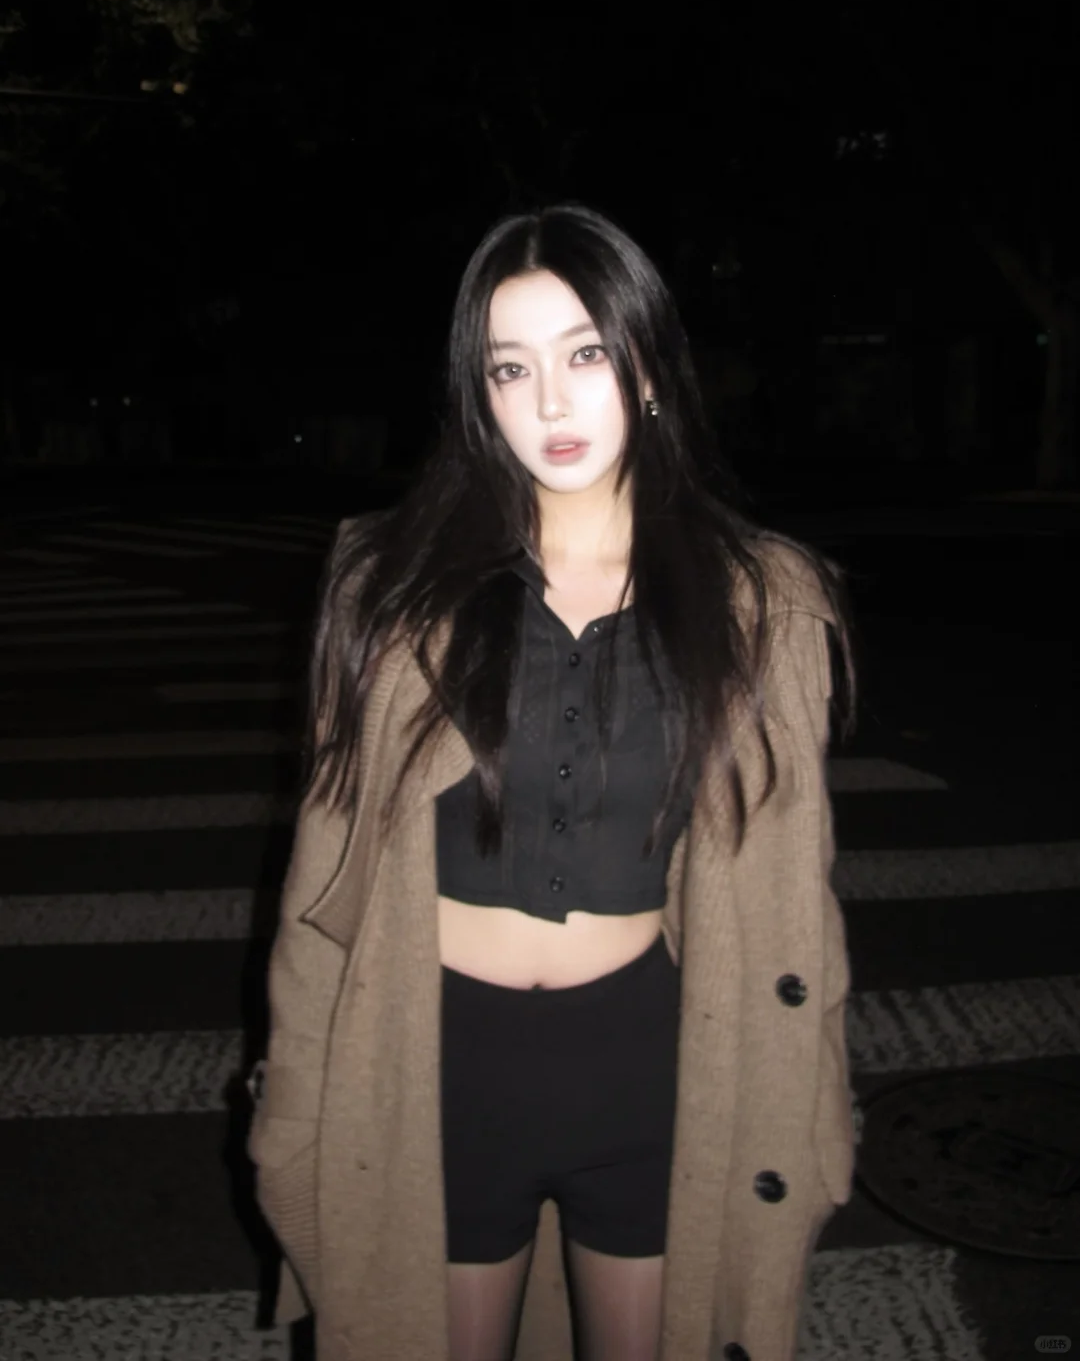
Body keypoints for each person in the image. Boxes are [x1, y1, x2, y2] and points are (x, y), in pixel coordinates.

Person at [246, 202, 858, 1361]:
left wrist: (815, 1107)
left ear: (650, 367)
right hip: (436, 1064)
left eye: (586, 355)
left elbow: (797, 899)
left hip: (648, 1063)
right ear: (478, 393)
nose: (551, 404)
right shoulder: (393, 584)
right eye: (510, 368)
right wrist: (293, 1113)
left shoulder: (759, 599)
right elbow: (318, 893)